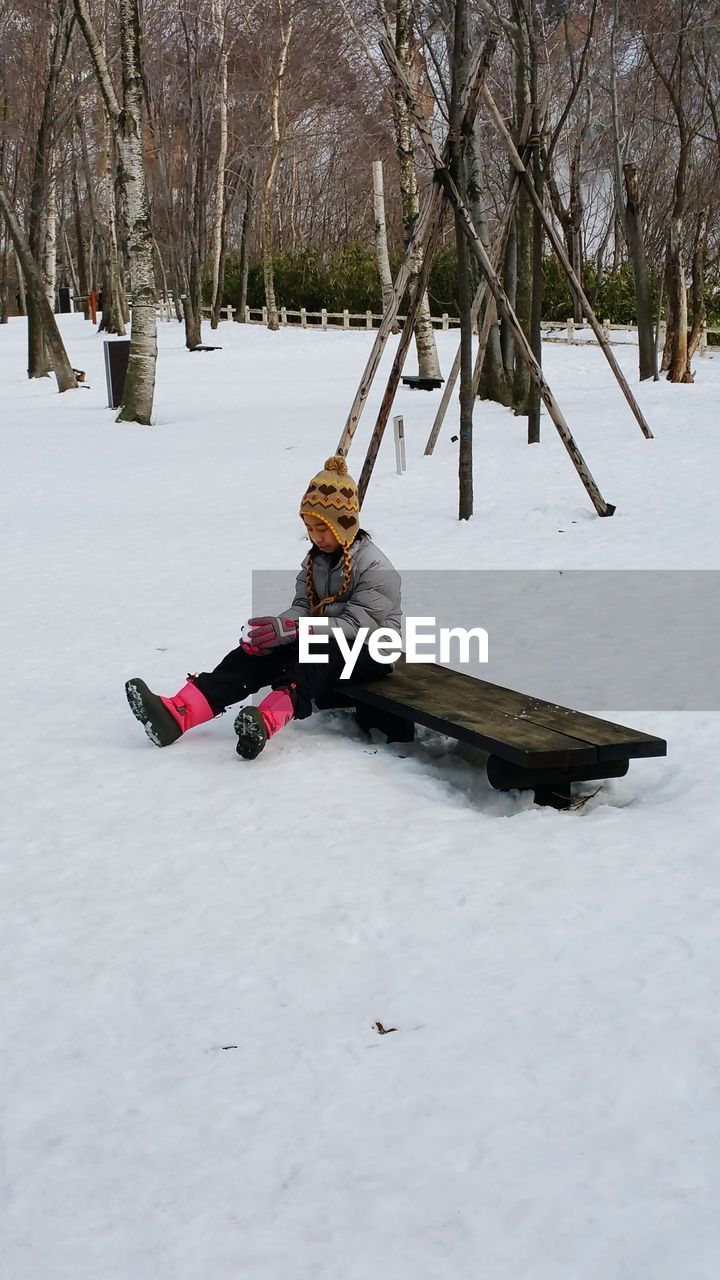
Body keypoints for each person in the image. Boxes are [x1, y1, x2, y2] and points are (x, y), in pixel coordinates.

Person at [125, 455, 401, 759]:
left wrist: (298, 630)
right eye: (310, 527)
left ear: (344, 526)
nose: (315, 537)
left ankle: (266, 720)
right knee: (258, 653)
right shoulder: (316, 561)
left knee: (319, 652)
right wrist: (278, 631)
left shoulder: (376, 568)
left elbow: (357, 626)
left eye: (323, 529)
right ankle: (179, 713)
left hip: (373, 650)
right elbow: (302, 606)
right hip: (324, 637)